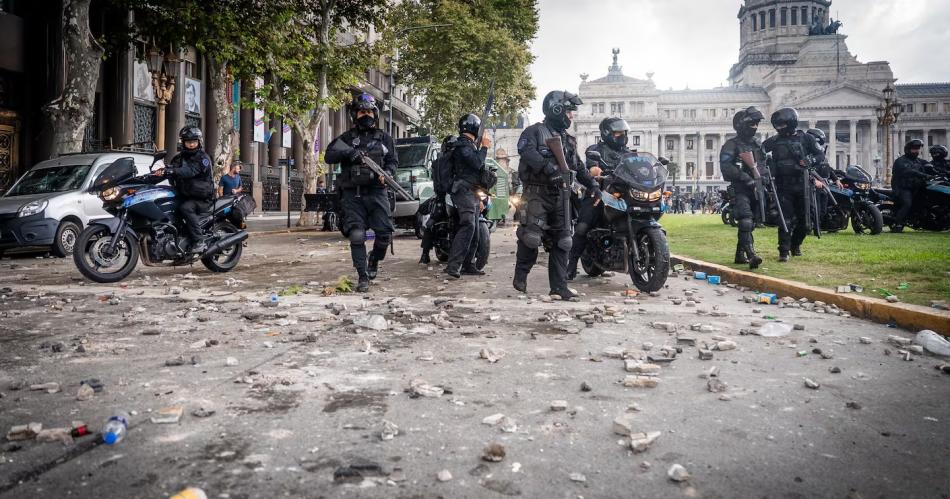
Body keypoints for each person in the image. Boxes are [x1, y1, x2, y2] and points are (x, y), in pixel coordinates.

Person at [513, 90, 601, 300]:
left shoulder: (568, 141)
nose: (572, 116)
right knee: (532, 237)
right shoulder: (534, 132)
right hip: (537, 194)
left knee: (563, 241)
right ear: (557, 109)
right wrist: (548, 169)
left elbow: (578, 167)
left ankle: (559, 287)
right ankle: (521, 274)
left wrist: (593, 186)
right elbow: (526, 151)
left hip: (562, 196)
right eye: (570, 111)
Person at [324, 93, 397, 292]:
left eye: (369, 111)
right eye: (361, 112)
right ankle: (362, 276)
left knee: (384, 235)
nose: (365, 115)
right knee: (357, 235)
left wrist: (388, 173)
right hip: (352, 195)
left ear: (375, 113)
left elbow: (392, 162)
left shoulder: (385, 139)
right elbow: (328, 156)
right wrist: (349, 153)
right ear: (354, 115)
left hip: (377, 192)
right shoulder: (347, 138)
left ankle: (373, 259)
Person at [567, 117, 630, 280]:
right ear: (607, 133)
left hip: (624, 195)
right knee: (582, 226)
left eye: (624, 132)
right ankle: (571, 264)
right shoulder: (595, 149)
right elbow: (591, 166)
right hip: (600, 193)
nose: (622, 135)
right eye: (618, 132)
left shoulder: (628, 154)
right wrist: (595, 170)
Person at [763, 108, 826, 261]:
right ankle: (783, 251)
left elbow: (820, 154)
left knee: (805, 221)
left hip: (803, 184)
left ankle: (795, 244)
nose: (779, 128)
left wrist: (810, 161)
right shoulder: (774, 141)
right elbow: (759, 152)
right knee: (785, 219)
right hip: (783, 186)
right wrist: (767, 164)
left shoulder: (806, 139)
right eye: (777, 125)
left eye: (782, 124)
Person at [444, 114, 492, 278]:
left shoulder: (470, 145)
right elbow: (476, 163)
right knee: (468, 225)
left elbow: (475, 174)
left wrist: (479, 198)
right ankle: (453, 266)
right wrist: (484, 148)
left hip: (472, 193)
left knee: (476, 230)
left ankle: (468, 264)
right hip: (463, 191)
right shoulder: (463, 145)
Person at [155, 126, 215, 253]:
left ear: (199, 142)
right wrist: (158, 173)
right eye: (188, 142)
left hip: (201, 198)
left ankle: (199, 240)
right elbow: (171, 170)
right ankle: (177, 237)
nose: (191, 144)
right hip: (184, 194)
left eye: (194, 141)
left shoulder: (203, 158)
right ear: (183, 142)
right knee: (166, 207)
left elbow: (190, 171)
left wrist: (172, 171)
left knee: (185, 208)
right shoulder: (178, 158)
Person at [719, 107, 766, 269]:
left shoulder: (756, 145)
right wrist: (746, 178)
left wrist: (764, 178)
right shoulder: (731, 145)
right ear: (741, 125)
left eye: (756, 124)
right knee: (745, 220)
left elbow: (762, 164)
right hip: (740, 188)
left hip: (757, 187)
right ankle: (751, 255)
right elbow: (726, 167)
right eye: (751, 124)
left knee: (751, 223)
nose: (755, 127)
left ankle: (740, 255)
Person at [891, 139, 934, 232]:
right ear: (908, 149)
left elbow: (929, 166)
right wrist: (924, 175)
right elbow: (908, 171)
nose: (917, 151)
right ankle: (897, 224)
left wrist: (937, 171)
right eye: (914, 149)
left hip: (916, 187)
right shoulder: (900, 161)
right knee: (907, 204)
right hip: (902, 188)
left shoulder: (919, 161)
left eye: (918, 149)